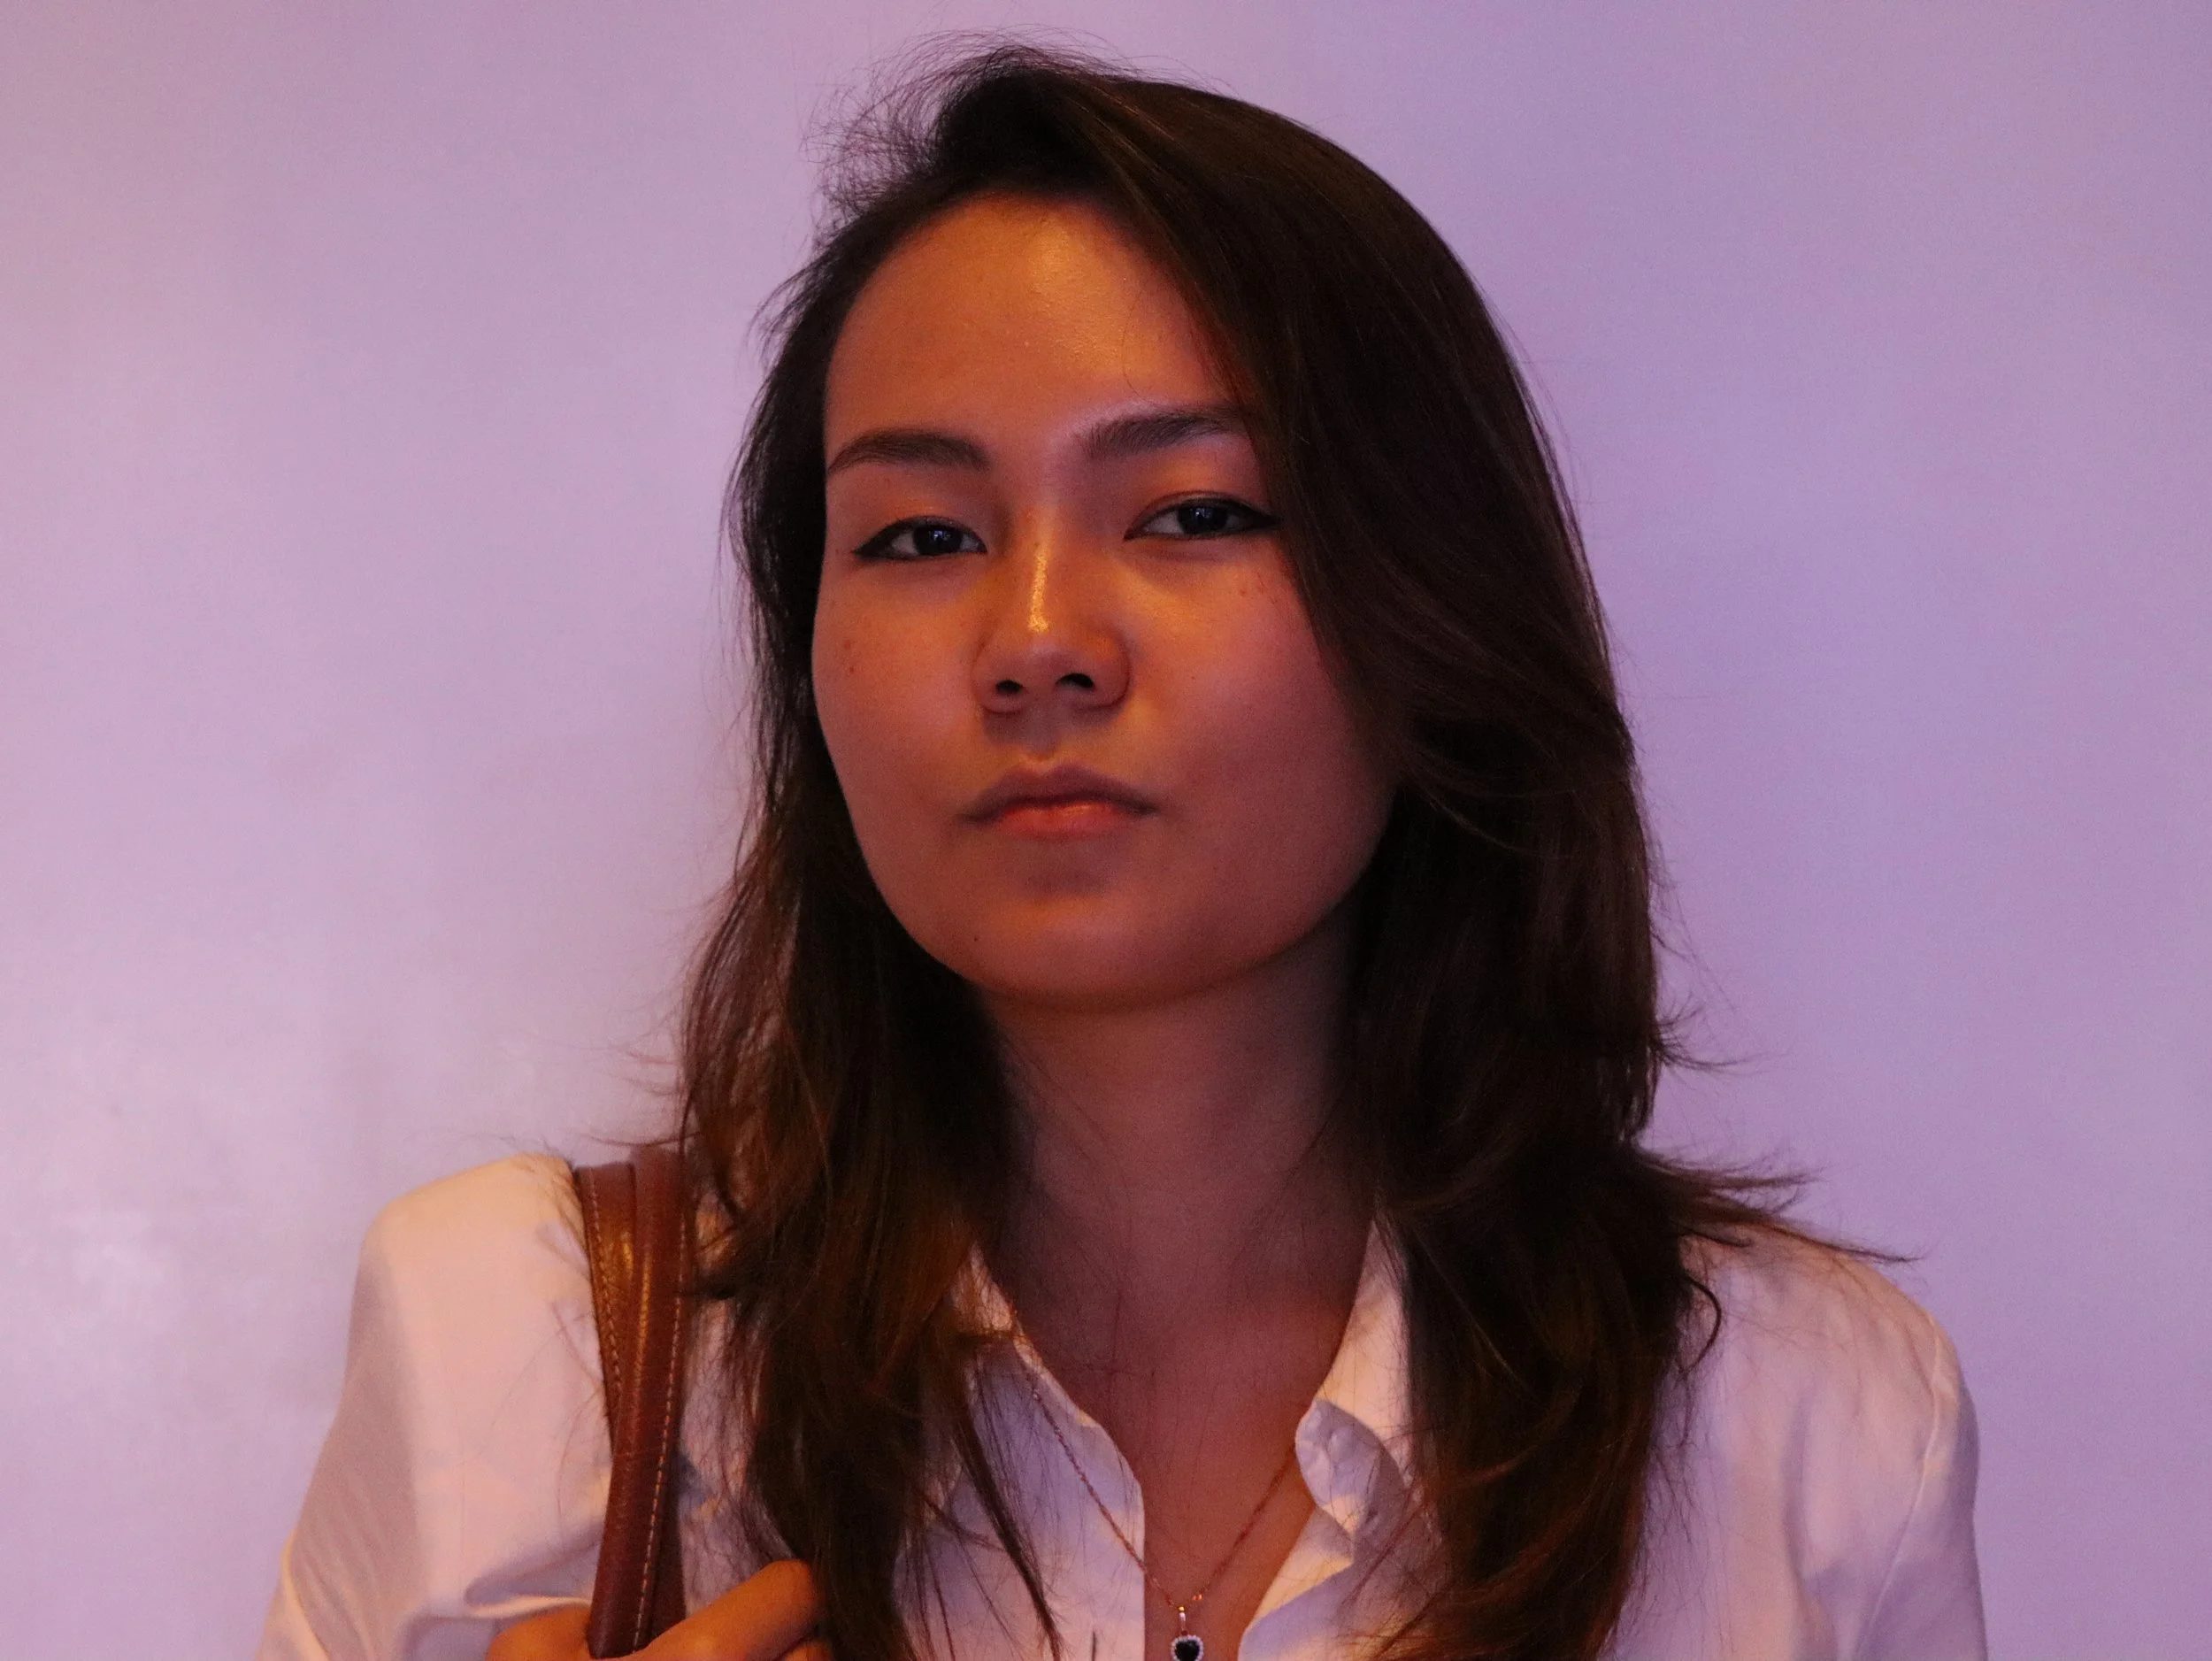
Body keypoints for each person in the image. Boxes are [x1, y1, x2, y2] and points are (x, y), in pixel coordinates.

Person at [257, 43, 1985, 1661]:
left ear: (1434, 610)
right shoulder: (519, 1345)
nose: (1036, 642)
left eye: (1194, 512)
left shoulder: (1796, 1414)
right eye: (921, 534)